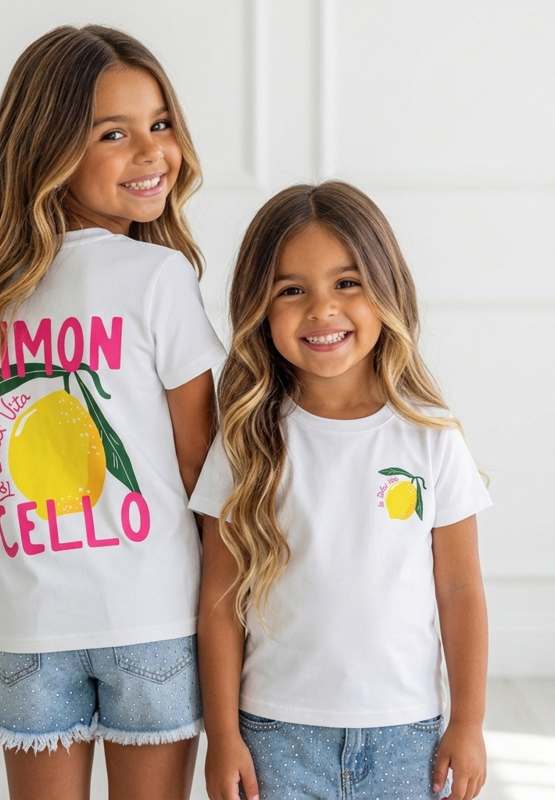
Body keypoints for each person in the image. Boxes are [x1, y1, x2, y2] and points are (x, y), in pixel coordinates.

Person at [0, 24, 225, 800]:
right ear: (49, 149)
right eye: (113, 133)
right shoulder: (159, 278)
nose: (153, 152)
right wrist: (232, 626)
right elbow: (206, 472)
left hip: (30, 630)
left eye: (160, 124)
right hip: (154, 622)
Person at [190, 181, 491, 800]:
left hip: (407, 735)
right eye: (291, 290)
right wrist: (222, 735)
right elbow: (219, 600)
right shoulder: (247, 442)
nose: (322, 309)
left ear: (386, 289)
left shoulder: (431, 437)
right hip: (274, 734)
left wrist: (467, 723)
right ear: (259, 308)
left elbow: (461, 590)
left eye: (346, 283)